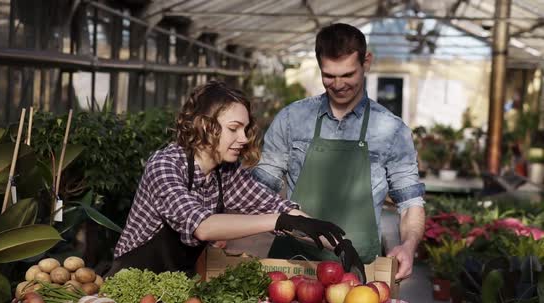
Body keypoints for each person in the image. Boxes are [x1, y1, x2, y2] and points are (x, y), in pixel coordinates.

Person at [108, 81, 350, 276]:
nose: (244, 138)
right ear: (205, 126)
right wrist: (280, 221)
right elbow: (202, 226)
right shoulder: (165, 165)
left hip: (176, 290)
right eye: (234, 128)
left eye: (245, 129)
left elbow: (279, 208)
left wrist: (339, 245)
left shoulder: (226, 173)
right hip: (130, 287)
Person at [253, 23, 426, 280]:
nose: (338, 85)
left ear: (366, 62)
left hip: (358, 270)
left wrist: (408, 246)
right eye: (329, 76)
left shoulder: (392, 130)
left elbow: (410, 202)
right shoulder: (292, 119)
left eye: (347, 75)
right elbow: (260, 187)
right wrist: (226, 227)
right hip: (291, 266)